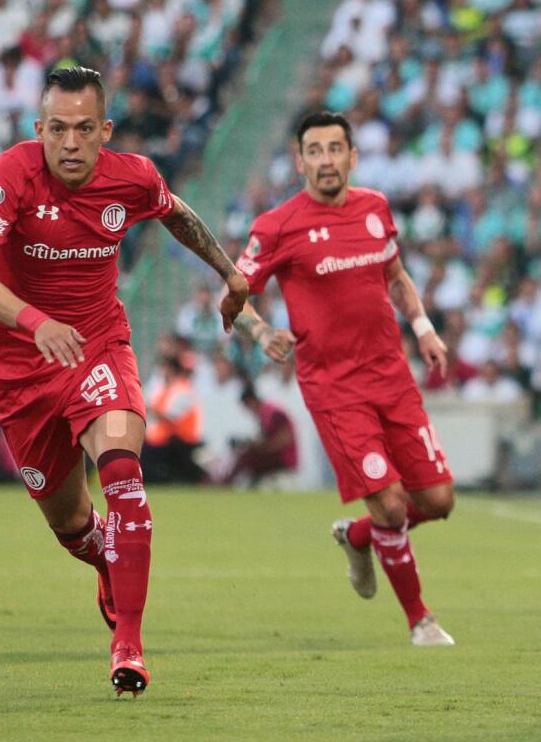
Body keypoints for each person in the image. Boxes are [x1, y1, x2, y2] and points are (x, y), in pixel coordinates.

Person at [0, 66, 250, 696]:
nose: (69, 143)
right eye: (57, 129)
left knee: (124, 476)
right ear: (39, 130)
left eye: (84, 129)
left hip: (98, 350)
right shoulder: (12, 173)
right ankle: (104, 561)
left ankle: (130, 647)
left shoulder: (133, 176)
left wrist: (232, 275)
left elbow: (175, 213)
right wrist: (35, 323)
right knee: (72, 526)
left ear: (104, 131)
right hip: (23, 372)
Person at [230, 111, 458, 647]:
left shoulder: (376, 209)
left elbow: (396, 277)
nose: (326, 159)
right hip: (334, 388)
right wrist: (262, 334)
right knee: (392, 505)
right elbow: (236, 295)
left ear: (352, 157)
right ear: (300, 159)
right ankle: (420, 621)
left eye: (336, 149)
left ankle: (357, 538)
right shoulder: (277, 225)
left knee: (440, 500)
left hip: (392, 376)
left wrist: (424, 329)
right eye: (315, 150)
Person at [143, 352, 209, 484]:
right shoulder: (161, 389)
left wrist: (149, 409)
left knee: (146, 457)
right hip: (163, 438)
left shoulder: (182, 390)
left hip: (181, 439)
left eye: (165, 368)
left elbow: (171, 418)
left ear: (173, 370)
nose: (162, 372)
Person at [222, 384, 299, 486]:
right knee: (247, 455)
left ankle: (226, 483)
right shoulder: (265, 413)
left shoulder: (273, 412)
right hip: (275, 454)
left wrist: (263, 448)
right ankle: (231, 482)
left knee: (247, 457)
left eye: (247, 406)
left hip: (284, 457)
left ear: (251, 401)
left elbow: (285, 438)